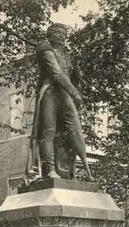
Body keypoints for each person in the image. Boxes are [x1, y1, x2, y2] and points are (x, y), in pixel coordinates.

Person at [26, 23, 93, 181]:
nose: (61, 35)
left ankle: (87, 171)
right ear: (49, 34)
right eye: (57, 32)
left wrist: (79, 83)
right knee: (48, 131)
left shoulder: (67, 55)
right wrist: (75, 93)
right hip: (50, 91)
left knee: (75, 130)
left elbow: (75, 76)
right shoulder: (44, 48)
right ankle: (49, 170)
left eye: (64, 33)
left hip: (64, 94)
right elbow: (56, 73)